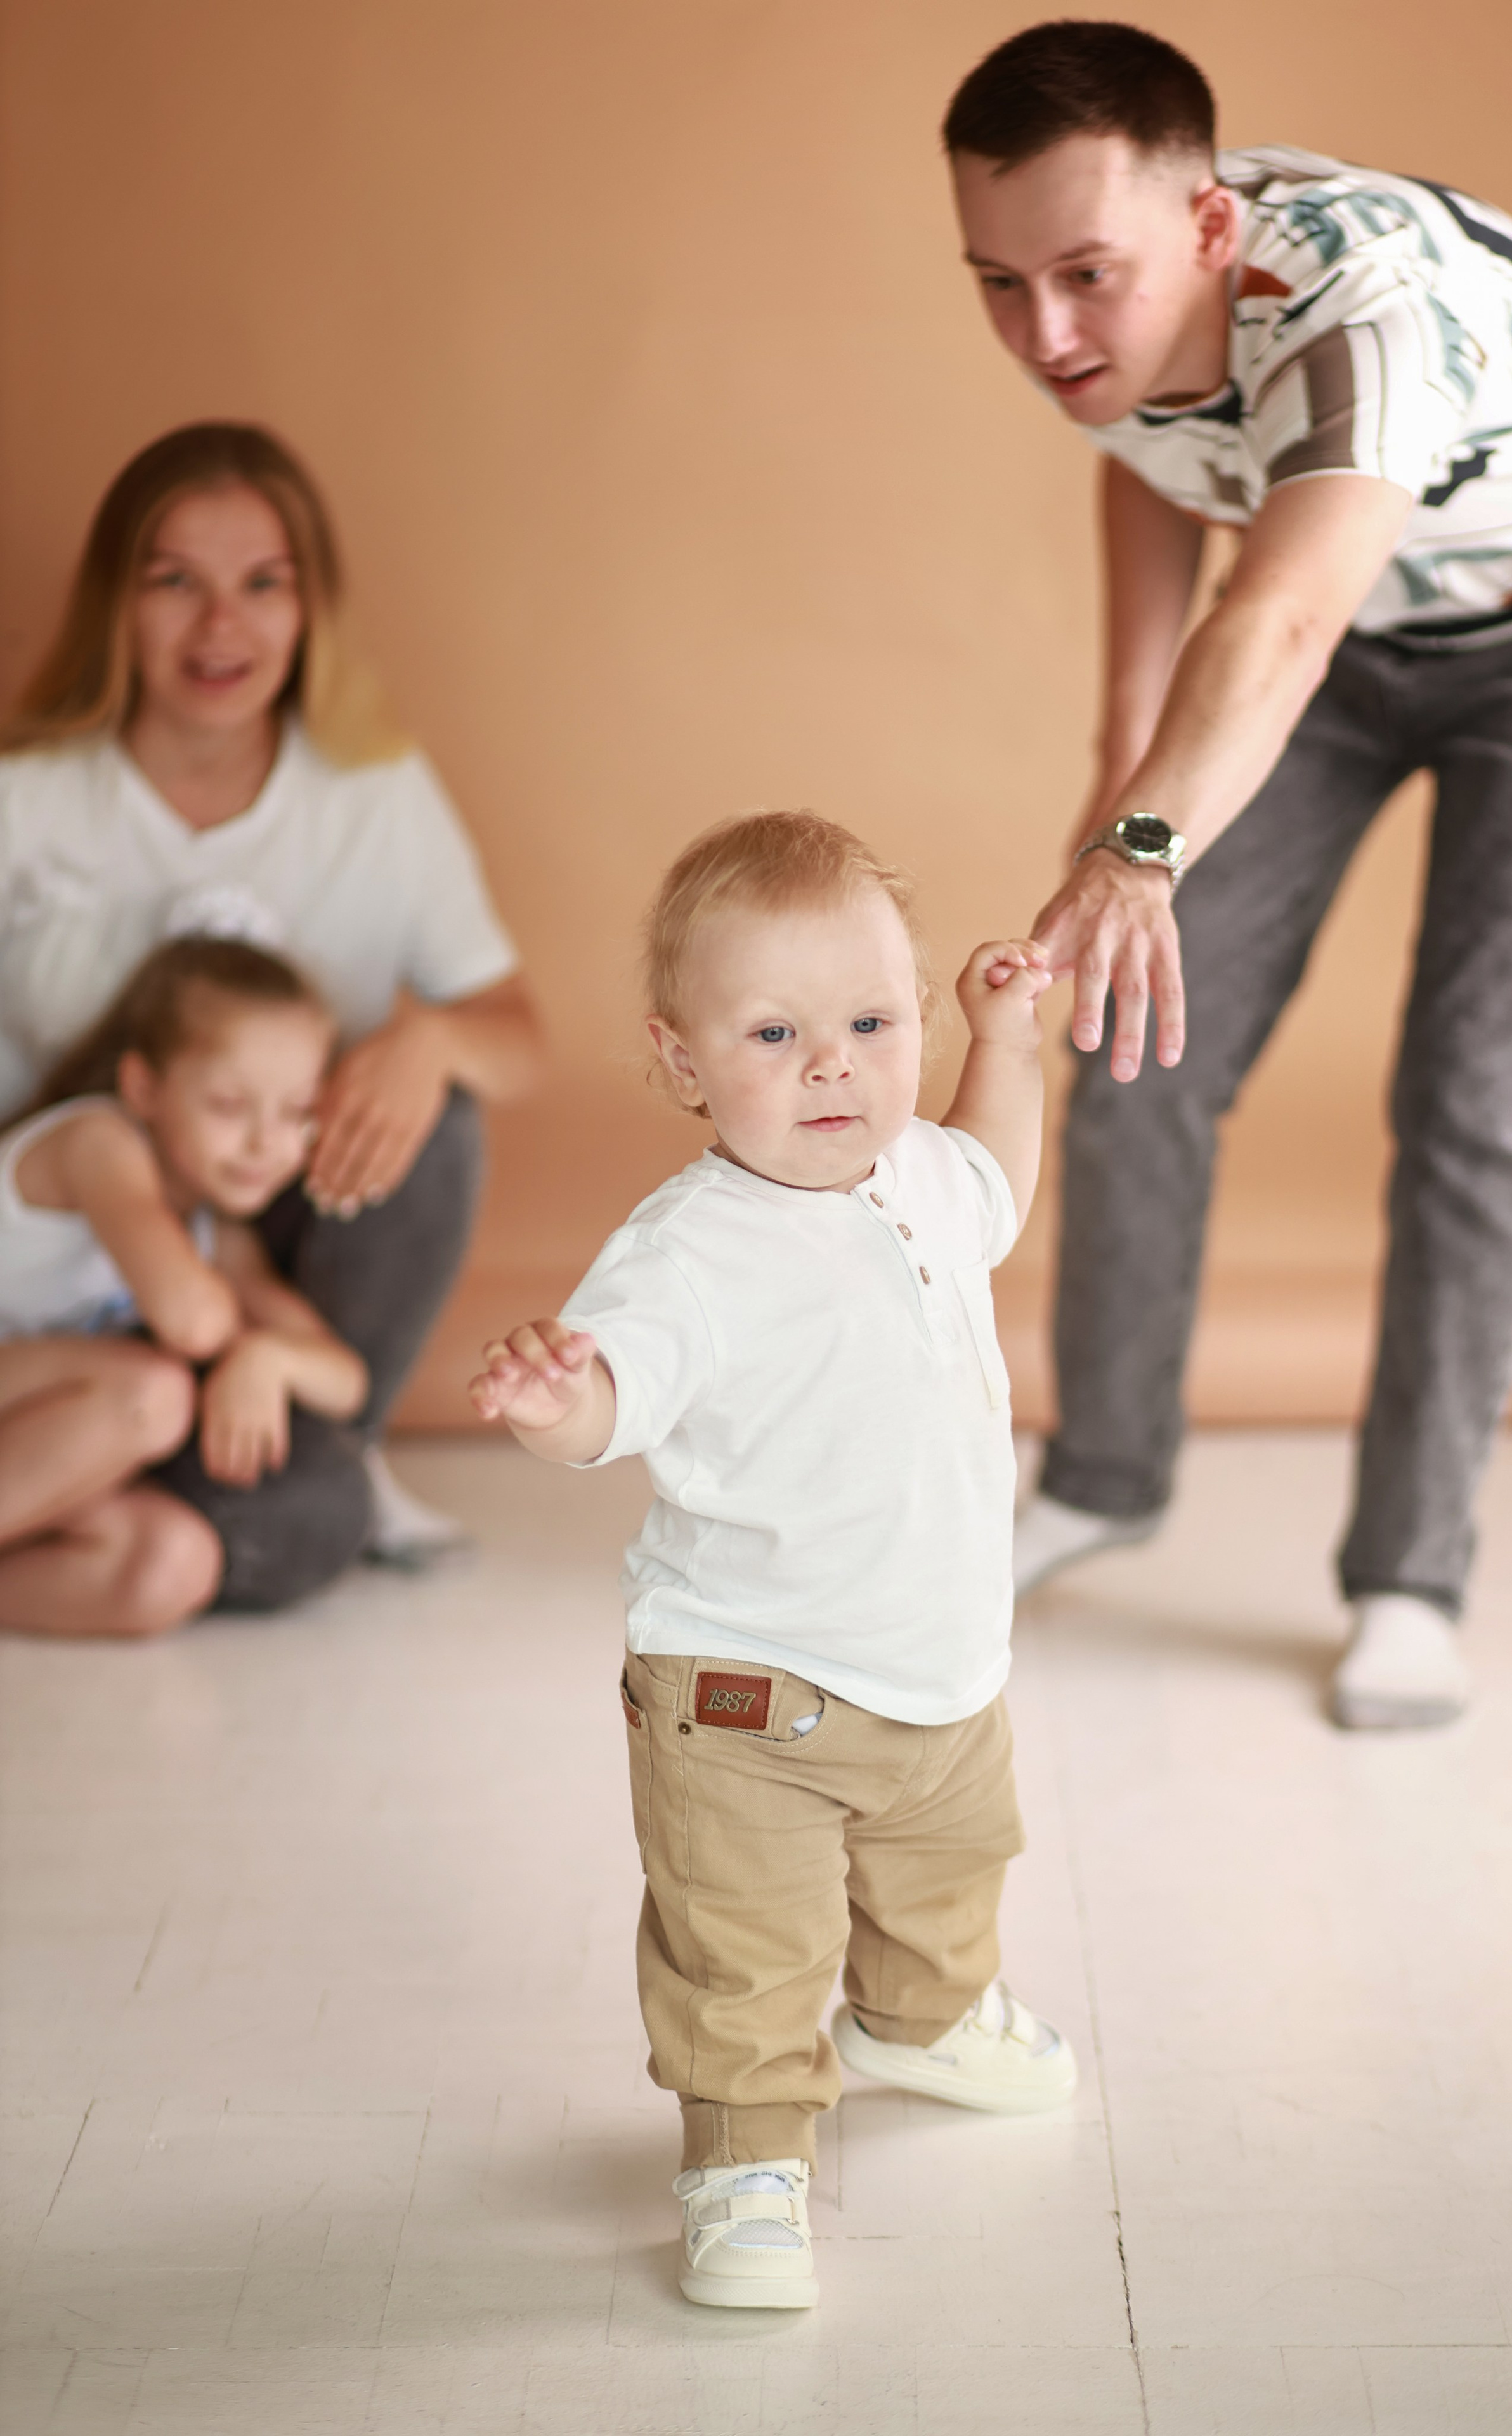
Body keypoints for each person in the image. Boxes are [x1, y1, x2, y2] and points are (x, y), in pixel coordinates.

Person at [942, 22, 1512, 1729]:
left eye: (1082, 279)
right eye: (997, 284)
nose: (1043, 334)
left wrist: (1143, 845)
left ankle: (1409, 1577)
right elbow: (1154, 460)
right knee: (1130, 1029)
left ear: (1207, 230)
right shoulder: (1112, 296)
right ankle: (1102, 1476)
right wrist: (1121, 770)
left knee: (1472, 1095)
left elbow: (1284, 615)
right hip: (1330, 625)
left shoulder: (1364, 307)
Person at [469, 812, 1076, 2309]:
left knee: (954, 1869)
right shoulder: (688, 1250)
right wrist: (557, 1402)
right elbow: (616, 1390)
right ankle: (743, 2158)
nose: (830, 1067)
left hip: (940, 1666)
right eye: (772, 1033)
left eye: (870, 1024)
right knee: (740, 1945)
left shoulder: (917, 1172)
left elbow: (998, 1180)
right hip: (746, 1690)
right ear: (681, 1059)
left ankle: (919, 2018)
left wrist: (1005, 1040)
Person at [0, 423, 544, 1601]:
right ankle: (121, 1473)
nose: (220, 627)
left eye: (262, 584)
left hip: (238, 1256)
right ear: (116, 602)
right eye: (174, 582)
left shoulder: (373, 795)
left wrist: (432, 1037)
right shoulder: (27, 798)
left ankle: (288, 1464)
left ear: (310, 609)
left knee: (439, 1120)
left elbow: (518, 1037)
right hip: (52, 1272)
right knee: (254, 1504)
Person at [0, 937, 368, 1636]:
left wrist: (270, 1358)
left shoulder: (214, 1233)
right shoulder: (98, 1144)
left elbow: (346, 1381)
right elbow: (191, 1322)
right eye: (229, 1105)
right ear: (145, 1088)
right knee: (153, 1396)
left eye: (297, 1112)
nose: (265, 1143)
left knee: (176, 1563)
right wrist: (242, 1346)